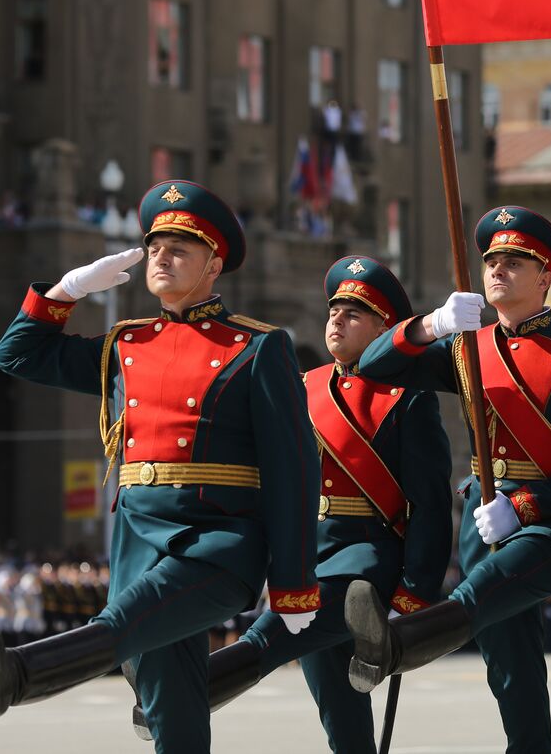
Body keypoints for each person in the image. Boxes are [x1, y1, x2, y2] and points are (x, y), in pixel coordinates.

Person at [0, 179, 322, 753]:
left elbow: (294, 469)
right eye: (155, 247)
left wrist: (295, 581)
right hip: (137, 538)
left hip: (215, 543)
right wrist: (66, 289)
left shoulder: (256, 347)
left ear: (214, 265)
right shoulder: (125, 345)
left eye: (179, 248)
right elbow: (16, 354)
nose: (161, 256)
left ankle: (18, 674)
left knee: (125, 622)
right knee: (171, 702)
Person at [131, 255, 453, 752]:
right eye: (333, 311)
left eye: (353, 314)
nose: (336, 321)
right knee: (343, 718)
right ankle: (170, 694)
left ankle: (169, 696)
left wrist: (414, 594)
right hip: (306, 559)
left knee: (267, 639)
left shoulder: (407, 398)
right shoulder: (302, 386)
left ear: (385, 329)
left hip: (364, 567)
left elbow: (429, 504)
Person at [346, 206, 551, 753]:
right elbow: (372, 368)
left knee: (482, 593)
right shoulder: (465, 349)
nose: (497, 270)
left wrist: (526, 505)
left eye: (514, 262)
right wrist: (430, 325)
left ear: (545, 277)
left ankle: (399, 643)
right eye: (491, 261)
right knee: (508, 662)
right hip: (484, 517)